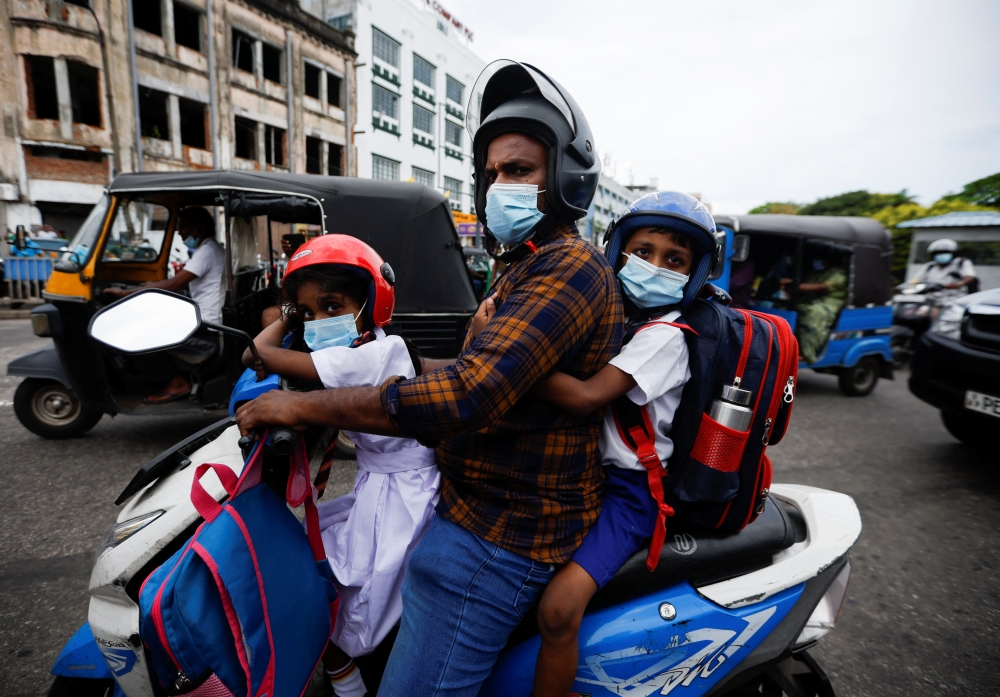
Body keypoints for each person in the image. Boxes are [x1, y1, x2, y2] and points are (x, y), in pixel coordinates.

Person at [233, 61, 621, 696]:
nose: (501, 187)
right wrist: (403, 362)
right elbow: (487, 371)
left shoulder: (567, 270)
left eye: (519, 171)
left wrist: (305, 409)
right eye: (493, 174)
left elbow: (471, 394)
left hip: (499, 535)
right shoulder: (522, 270)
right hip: (467, 502)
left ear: (565, 176)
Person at [469, 191, 716, 697]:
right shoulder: (614, 316)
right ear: (618, 249)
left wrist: (503, 353)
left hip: (629, 495)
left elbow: (584, 398)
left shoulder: (667, 336)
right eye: (642, 251)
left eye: (674, 260)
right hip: (583, 475)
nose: (653, 266)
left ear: (694, 274)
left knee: (559, 611)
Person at [241, 234, 438, 697]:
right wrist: (295, 313)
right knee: (313, 572)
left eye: (332, 306)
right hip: (380, 486)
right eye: (308, 313)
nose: (318, 322)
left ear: (371, 303)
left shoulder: (374, 353)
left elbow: (255, 354)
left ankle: (348, 677)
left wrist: (288, 317)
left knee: (342, 589)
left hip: (402, 495)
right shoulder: (365, 347)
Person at [103, 207, 225, 402]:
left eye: (183, 226)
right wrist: (151, 286)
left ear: (198, 227)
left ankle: (176, 381)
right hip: (202, 318)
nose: (179, 232)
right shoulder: (207, 248)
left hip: (205, 325)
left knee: (139, 333)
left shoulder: (207, 250)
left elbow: (175, 284)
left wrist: (125, 293)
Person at [786, 250, 847, 364]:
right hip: (811, 300)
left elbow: (822, 287)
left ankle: (807, 353)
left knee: (812, 313)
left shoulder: (838, 273)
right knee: (784, 308)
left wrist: (794, 285)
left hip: (829, 304)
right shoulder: (816, 273)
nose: (817, 260)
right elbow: (805, 286)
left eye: (821, 257)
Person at [906, 238, 978, 298]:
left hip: (955, 299)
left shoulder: (961, 263)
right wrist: (904, 286)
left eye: (945, 253)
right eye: (938, 253)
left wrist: (958, 284)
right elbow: (916, 280)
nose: (941, 255)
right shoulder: (929, 266)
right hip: (932, 300)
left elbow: (969, 277)